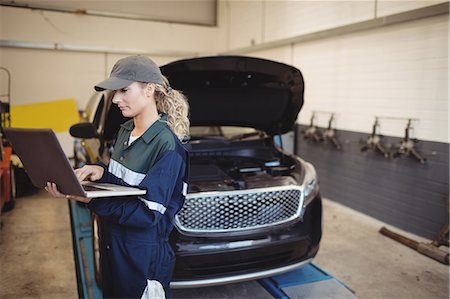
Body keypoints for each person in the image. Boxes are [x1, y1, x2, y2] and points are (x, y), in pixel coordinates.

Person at [46, 55, 190, 299]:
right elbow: (126, 187)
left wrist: (90, 198)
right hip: (112, 243)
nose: (115, 99)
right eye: (115, 91)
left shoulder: (167, 146)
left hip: (141, 255)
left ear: (149, 90)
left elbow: (147, 214)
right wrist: (101, 172)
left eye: (124, 90)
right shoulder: (125, 132)